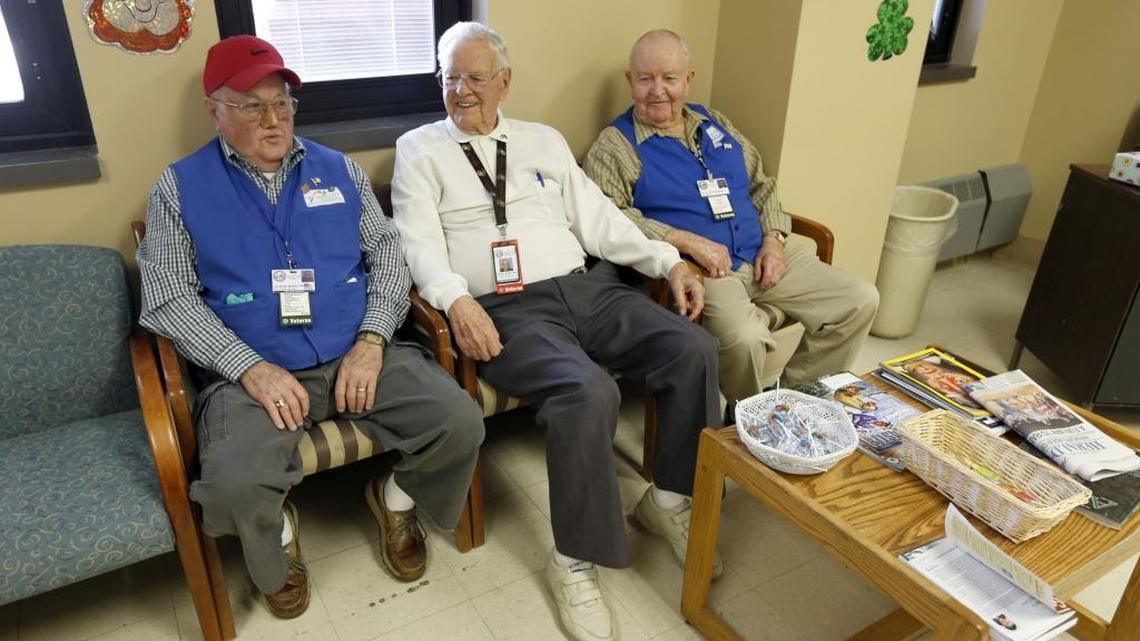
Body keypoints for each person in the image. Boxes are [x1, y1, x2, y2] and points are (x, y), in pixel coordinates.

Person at [391, 22, 722, 641]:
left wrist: (667, 262)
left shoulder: (542, 141)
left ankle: (670, 499)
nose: (462, 91)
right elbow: (417, 246)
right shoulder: (419, 149)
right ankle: (575, 559)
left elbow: (598, 221)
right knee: (587, 391)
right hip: (506, 309)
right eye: (450, 77)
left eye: (476, 77)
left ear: (505, 82)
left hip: (588, 287)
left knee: (694, 348)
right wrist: (456, 303)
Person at [136, 35, 484, 619]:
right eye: (251, 106)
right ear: (214, 109)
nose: (274, 120)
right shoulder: (178, 188)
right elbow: (168, 299)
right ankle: (276, 544)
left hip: (356, 347)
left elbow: (389, 257)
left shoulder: (339, 170)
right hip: (251, 370)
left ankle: (394, 500)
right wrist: (251, 368)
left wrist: (374, 342)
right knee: (232, 488)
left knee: (459, 422)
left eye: (284, 102)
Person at [584, 29, 880, 413]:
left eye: (670, 78)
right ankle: (750, 418)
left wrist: (774, 239)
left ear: (688, 79)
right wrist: (685, 241)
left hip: (761, 251)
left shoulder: (714, 122)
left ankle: (799, 404)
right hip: (702, 271)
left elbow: (762, 184)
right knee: (745, 338)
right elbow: (607, 216)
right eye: (645, 79)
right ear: (630, 81)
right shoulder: (616, 145)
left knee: (859, 299)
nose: (658, 90)